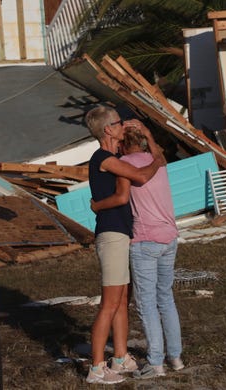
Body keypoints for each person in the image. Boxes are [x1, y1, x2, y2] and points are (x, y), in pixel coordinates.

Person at [91, 126, 184, 380]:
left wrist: (96, 205)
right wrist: (150, 137)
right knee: (166, 298)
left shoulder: (123, 163)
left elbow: (123, 195)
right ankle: (175, 357)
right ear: (144, 142)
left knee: (146, 304)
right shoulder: (159, 162)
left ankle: (155, 363)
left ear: (122, 146)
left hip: (145, 240)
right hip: (169, 237)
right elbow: (161, 156)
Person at [84, 105, 166, 384]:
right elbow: (141, 177)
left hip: (120, 233)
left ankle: (119, 357)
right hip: (111, 235)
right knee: (109, 303)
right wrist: (155, 161)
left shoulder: (113, 156)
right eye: (119, 123)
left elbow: (122, 194)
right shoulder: (103, 158)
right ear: (108, 129)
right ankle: (96, 368)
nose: (123, 126)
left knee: (121, 301)